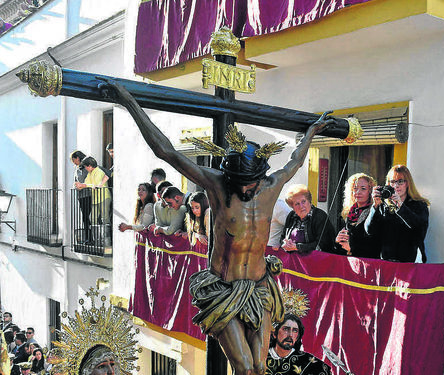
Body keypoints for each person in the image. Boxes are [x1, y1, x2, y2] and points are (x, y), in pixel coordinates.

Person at [99, 78, 333, 375]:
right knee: (246, 368)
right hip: (224, 288)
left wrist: (311, 131)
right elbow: (167, 151)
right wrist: (130, 102)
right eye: (239, 183)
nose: (245, 189)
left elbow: (296, 160)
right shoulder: (217, 185)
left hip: (260, 287)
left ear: (260, 176)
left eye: (250, 183)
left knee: (260, 367)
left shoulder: (273, 185)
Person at [366, 165, 430, 262]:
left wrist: (400, 206)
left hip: (411, 262)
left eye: (400, 181)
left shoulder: (419, 205)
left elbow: (419, 229)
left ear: (408, 183)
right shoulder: (384, 206)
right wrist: (375, 206)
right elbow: (370, 231)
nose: (396, 186)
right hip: (387, 263)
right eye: (392, 182)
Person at [266, 314, 332, 375]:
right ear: (274, 333)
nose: (290, 335)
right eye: (286, 329)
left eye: (295, 331)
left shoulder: (309, 363)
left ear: (297, 337)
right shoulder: (260, 358)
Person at [280, 184, 337, 254]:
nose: (301, 206)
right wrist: (285, 243)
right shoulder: (291, 216)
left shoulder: (320, 216)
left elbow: (322, 245)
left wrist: (298, 247)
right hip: (294, 262)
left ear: (309, 201)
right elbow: (282, 237)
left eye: (303, 201)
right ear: (292, 207)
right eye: (297, 204)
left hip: (317, 261)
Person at [334, 173, 381, 258]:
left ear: (370, 192)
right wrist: (338, 241)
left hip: (368, 263)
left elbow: (375, 245)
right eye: (355, 188)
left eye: (363, 189)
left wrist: (352, 248)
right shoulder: (350, 211)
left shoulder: (375, 211)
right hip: (350, 262)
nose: (358, 192)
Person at [77, 156, 111, 237]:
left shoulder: (99, 172)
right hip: (95, 199)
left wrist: (83, 185)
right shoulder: (90, 173)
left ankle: (107, 240)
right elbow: (86, 183)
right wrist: (80, 186)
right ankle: (97, 240)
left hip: (104, 198)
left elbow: (96, 185)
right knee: (93, 219)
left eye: (85, 167)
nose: (85, 169)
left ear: (90, 166)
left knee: (105, 219)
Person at [71, 151, 93, 244]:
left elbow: (88, 180)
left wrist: (80, 185)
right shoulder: (77, 169)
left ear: (77, 158)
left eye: (73, 160)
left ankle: (90, 238)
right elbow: (76, 181)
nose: (73, 162)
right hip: (81, 196)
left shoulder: (85, 168)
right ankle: (88, 237)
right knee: (85, 217)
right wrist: (76, 186)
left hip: (87, 195)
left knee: (87, 217)